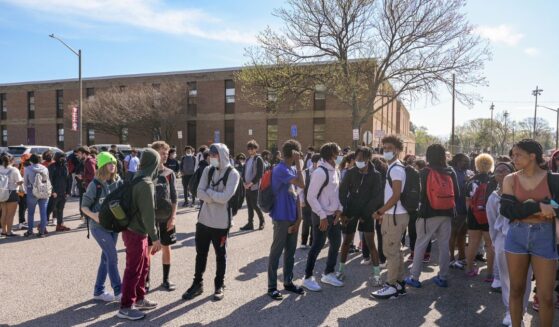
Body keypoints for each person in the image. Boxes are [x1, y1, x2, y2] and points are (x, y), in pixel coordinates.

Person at [500, 139, 558, 327]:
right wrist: (539, 205)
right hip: (516, 234)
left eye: (518, 155)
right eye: (513, 155)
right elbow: (507, 211)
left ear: (532, 156)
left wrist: (529, 207)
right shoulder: (511, 179)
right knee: (516, 289)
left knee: (546, 297)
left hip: (544, 236)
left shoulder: (554, 179)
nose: (513, 158)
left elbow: (557, 208)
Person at [182, 143, 240, 302]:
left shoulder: (233, 174)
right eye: (211, 155)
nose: (212, 158)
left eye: (215, 155)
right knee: (201, 254)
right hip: (203, 221)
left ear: (223, 156)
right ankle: (197, 284)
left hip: (221, 224)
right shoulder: (207, 170)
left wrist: (209, 194)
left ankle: (219, 284)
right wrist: (214, 196)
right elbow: (199, 192)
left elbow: (226, 197)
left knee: (220, 255)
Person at [405, 144, 460, 289]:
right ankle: (442, 276)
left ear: (428, 156)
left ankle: (414, 277)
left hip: (427, 213)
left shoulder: (424, 172)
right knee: (444, 245)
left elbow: (419, 195)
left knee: (421, 244)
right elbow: (457, 193)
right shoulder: (450, 171)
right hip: (447, 212)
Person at [117, 148, 162, 321]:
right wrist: (156, 237)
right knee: (134, 269)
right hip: (137, 232)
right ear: (154, 164)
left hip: (132, 230)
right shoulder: (146, 183)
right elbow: (148, 214)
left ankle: (140, 298)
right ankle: (126, 306)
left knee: (142, 268)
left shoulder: (137, 177)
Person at [487, 161, 532, 326]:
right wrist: (494, 242)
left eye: (504, 170)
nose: (500, 173)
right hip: (503, 239)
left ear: (512, 172)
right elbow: (492, 222)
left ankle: (522, 311)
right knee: (507, 279)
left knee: (525, 278)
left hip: (526, 239)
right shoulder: (493, 197)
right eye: (497, 171)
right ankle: (510, 310)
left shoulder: (525, 191)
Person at [81, 152, 123, 303]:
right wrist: (94, 216)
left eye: (114, 163)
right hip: (98, 227)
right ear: (103, 166)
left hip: (114, 226)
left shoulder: (118, 181)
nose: (113, 166)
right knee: (112, 256)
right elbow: (84, 207)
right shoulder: (95, 185)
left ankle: (98, 291)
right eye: (109, 163)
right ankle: (119, 291)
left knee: (106, 258)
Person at [338, 146, 383, 286]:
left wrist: (366, 213)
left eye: (362, 159)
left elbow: (377, 197)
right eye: (357, 159)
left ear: (368, 159)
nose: (359, 161)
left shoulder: (376, 175)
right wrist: (344, 211)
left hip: (367, 213)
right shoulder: (351, 172)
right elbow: (342, 191)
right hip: (351, 211)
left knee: (370, 243)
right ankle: (340, 271)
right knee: (346, 242)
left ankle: (376, 275)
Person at [302, 142, 344, 292]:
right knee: (317, 246)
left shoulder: (336, 170)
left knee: (335, 243)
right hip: (322, 216)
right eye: (338, 152)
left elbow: (336, 193)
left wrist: (339, 209)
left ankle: (328, 273)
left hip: (334, 216)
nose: (341, 155)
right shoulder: (320, 172)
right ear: (331, 155)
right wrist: (322, 216)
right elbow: (310, 197)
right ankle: (307, 277)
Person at [267, 139, 306, 300]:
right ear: (293, 154)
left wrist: (299, 218)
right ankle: (272, 286)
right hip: (281, 216)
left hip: (291, 216)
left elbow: (296, 193)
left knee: (290, 253)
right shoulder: (281, 169)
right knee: (276, 252)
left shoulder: (289, 169)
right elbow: (302, 184)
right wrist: (298, 164)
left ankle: (288, 282)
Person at [371, 135, 408, 300]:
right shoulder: (395, 167)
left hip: (394, 215)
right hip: (395, 214)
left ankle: (391, 285)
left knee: (390, 251)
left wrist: (380, 212)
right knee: (396, 251)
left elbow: (395, 196)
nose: (386, 151)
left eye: (390, 148)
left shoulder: (396, 169)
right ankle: (399, 283)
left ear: (398, 150)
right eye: (384, 148)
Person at [147, 142, 178, 292]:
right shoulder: (146, 173)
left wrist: (173, 217)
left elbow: (174, 198)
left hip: (166, 218)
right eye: (162, 153)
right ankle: (146, 281)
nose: (165, 156)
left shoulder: (169, 173)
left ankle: (166, 280)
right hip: (149, 218)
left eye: (166, 153)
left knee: (167, 246)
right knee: (148, 249)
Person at [465, 153, 495, 281]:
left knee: (473, 243)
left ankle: (470, 269)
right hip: (489, 215)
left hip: (473, 215)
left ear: (476, 165)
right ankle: (489, 273)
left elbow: (467, 201)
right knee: (490, 244)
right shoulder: (493, 181)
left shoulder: (471, 181)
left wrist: (470, 215)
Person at [448, 153, 470, 270]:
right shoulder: (453, 172)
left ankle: (462, 257)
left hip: (464, 209)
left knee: (462, 234)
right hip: (455, 208)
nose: (466, 163)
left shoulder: (465, 172)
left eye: (467, 160)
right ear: (457, 161)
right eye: (464, 160)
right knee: (453, 234)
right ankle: (451, 259)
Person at [241, 140, 265, 231]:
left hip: (254, 186)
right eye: (248, 149)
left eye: (251, 148)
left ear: (256, 149)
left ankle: (262, 221)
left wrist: (250, 183)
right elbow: (244, 172)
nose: (250, 150)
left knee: (255, 205)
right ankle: (250, 223)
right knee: (249, 206)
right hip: (246, 186)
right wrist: (243, 182)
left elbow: (260, 174)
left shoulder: (258, 159)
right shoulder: (247, 159)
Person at [23, 154, 49, 237]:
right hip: (43, 190)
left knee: (30, 212)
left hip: (32, 190)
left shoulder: (27, 169)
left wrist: (27, 191)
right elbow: (47, 179)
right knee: (43, 212)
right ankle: (42, 232)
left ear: (31, 161)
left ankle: (30, 231)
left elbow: (25, 182)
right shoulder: (44, 168)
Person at [300, 154, 321, 248]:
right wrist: (302, 201)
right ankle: (303, 242)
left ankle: (312, 242)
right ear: (314, 162)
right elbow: (300, 188)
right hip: (306, 201)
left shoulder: (322, 172)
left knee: (315, 223)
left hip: (317, 202)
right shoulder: (306, 172)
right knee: (306, 222)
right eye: (318, 162)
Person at [48, 152, 72, 232]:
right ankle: (42, 226)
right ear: (57, 158)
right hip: (54, 193)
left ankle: (60, 225)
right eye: (61, 157)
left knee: (60, 209)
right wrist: (52, 191)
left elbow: (69, 180)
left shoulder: (65, 167)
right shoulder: (52, 167)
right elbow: (49, 180)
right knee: (49, 209)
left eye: (64, 158)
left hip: (63, 192)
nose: (63, 159)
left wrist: (68, 192)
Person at [0, 154, 23, 237]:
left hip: (1, 192)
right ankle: (9, 232)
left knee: (3, 213)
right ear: (11, 161)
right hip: (12, 193)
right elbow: (19, 181)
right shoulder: (14, 170)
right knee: (10, 214)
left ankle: (3, 231)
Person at [17, 153, 31, 230]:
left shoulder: (20, 165)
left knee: (22, 207)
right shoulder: (28, 166)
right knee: (23, 207)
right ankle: (21, 222)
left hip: (21, 190)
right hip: (25, 190)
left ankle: (22, 222)